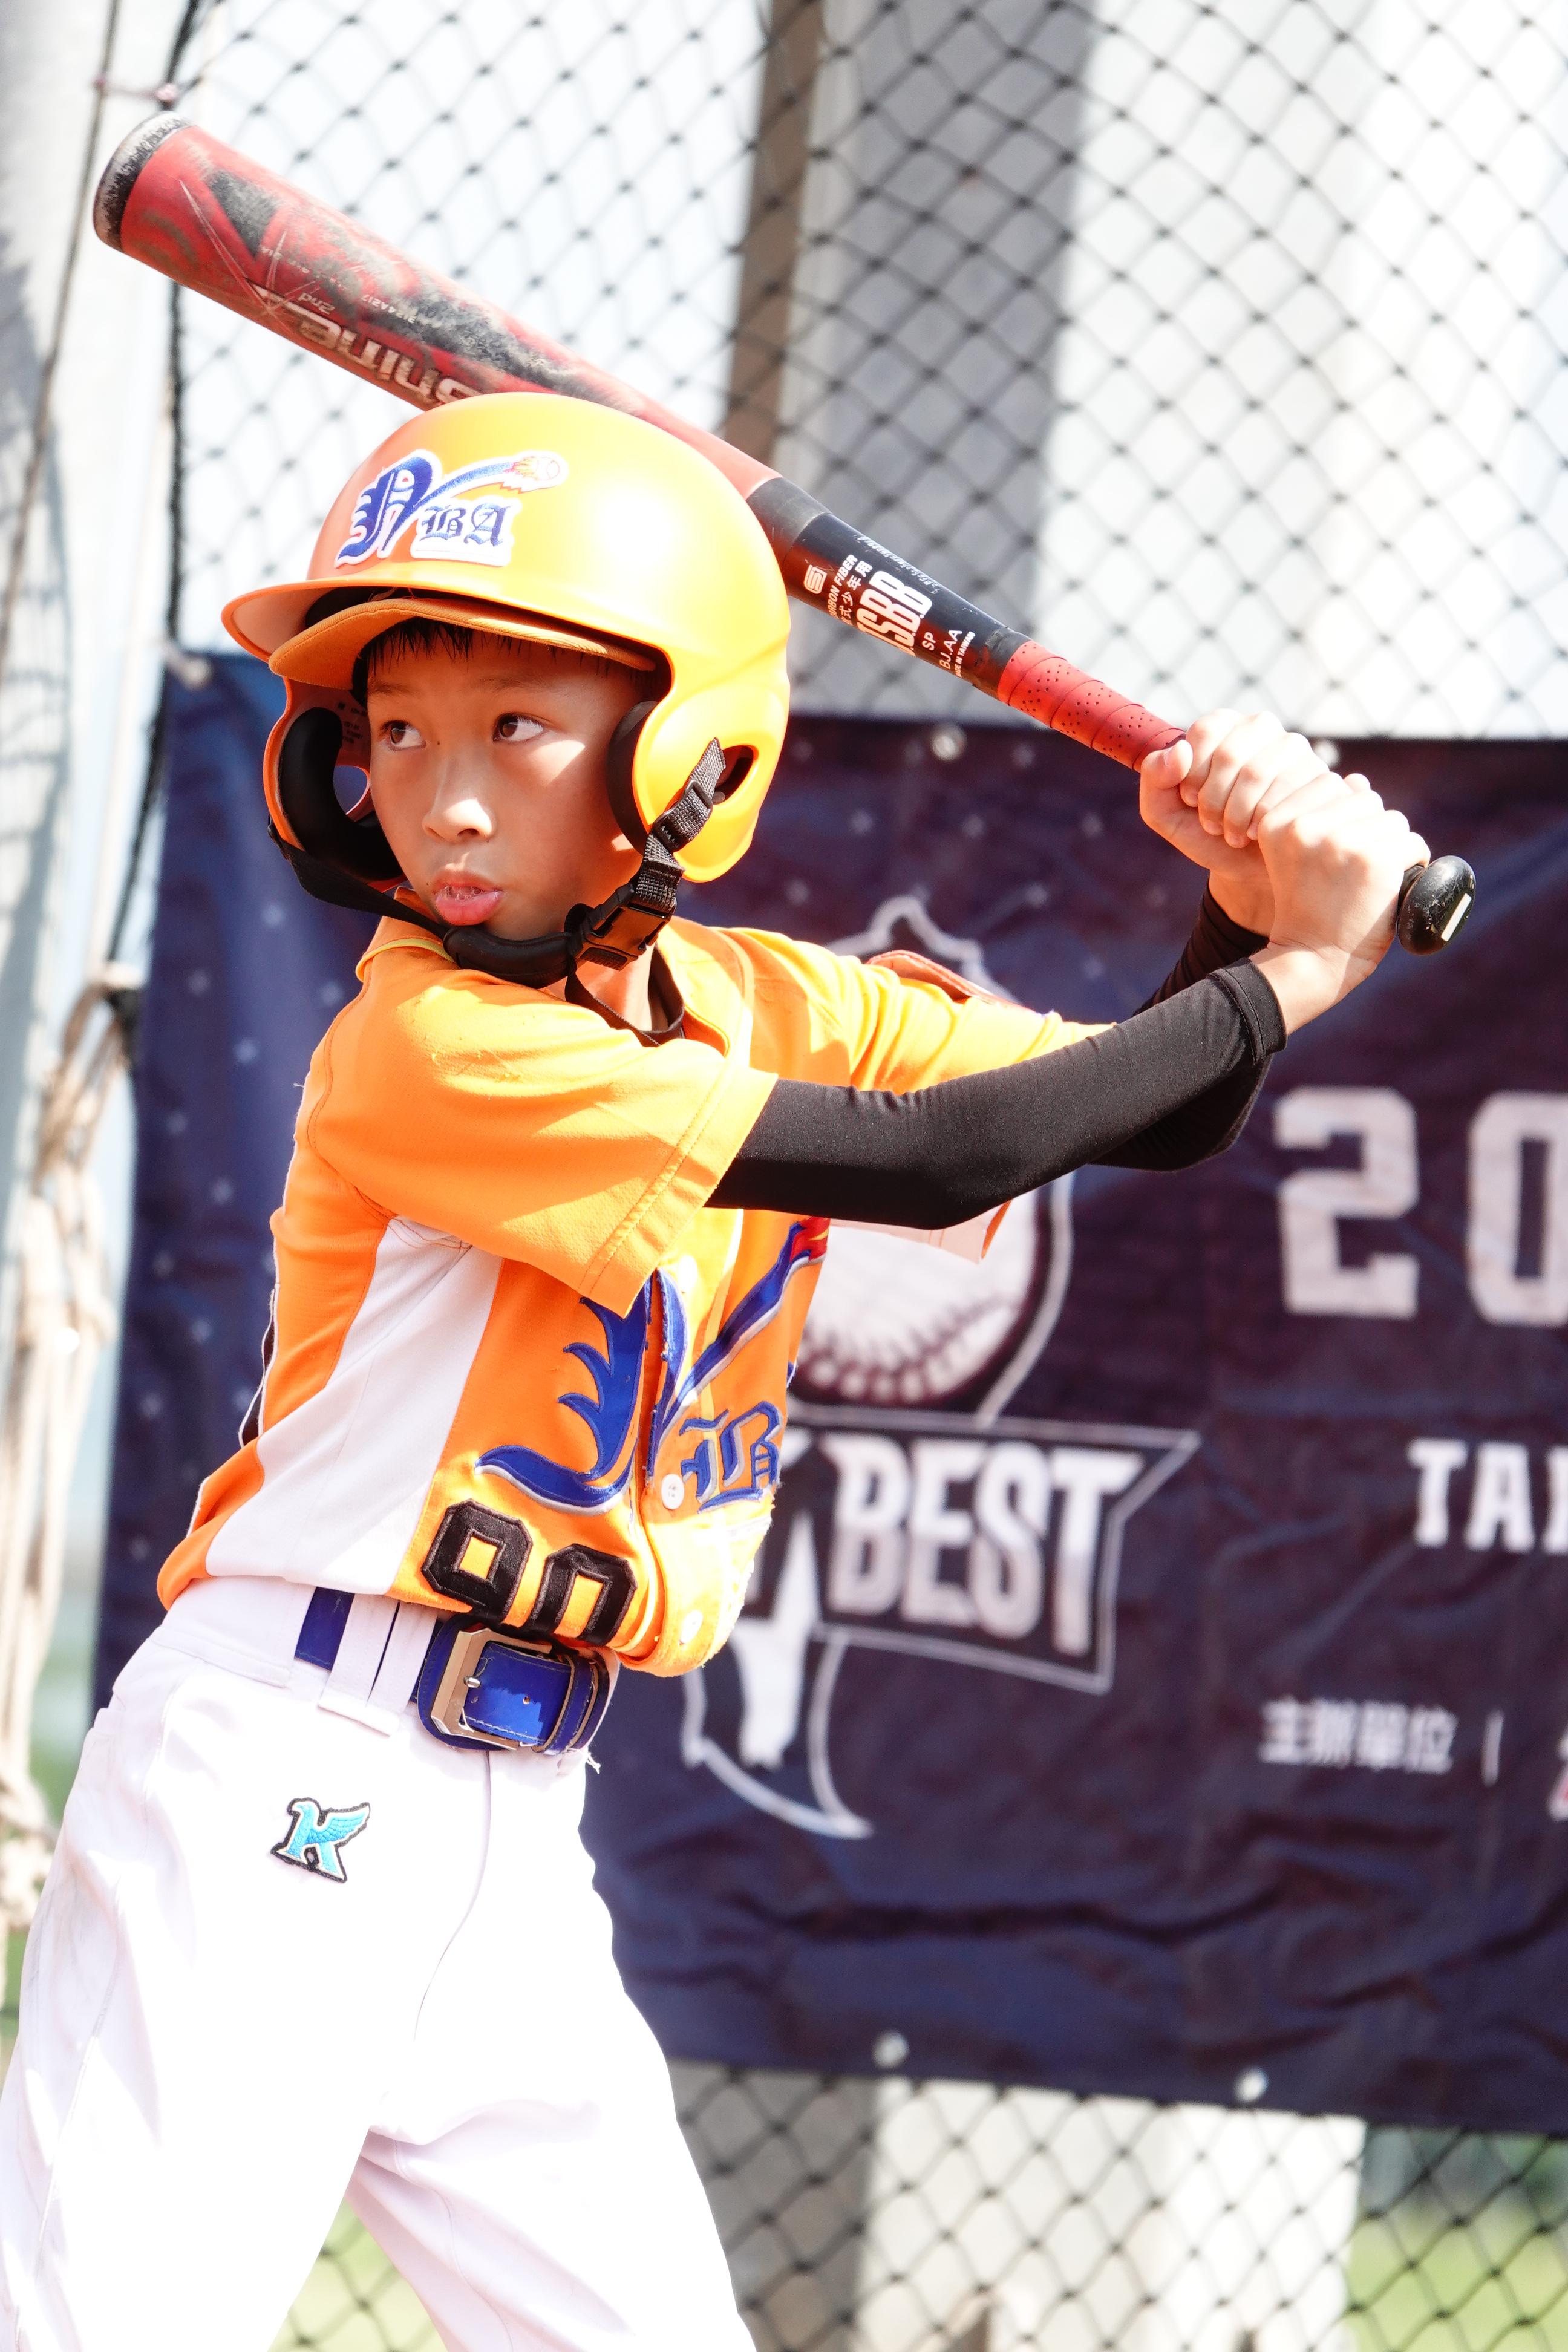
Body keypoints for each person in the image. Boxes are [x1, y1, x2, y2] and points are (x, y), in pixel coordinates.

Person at [0, 391, 1426, 2352]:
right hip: (283, 1772)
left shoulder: (766, 1000)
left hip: (514, 1821)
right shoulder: (426, 1042)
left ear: (690, 751)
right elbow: (944, 1157)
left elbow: (1137, 1111)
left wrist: (1234, 917)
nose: (445, 800)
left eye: (517, 727)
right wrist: (1303, 970)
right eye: (397, 732)